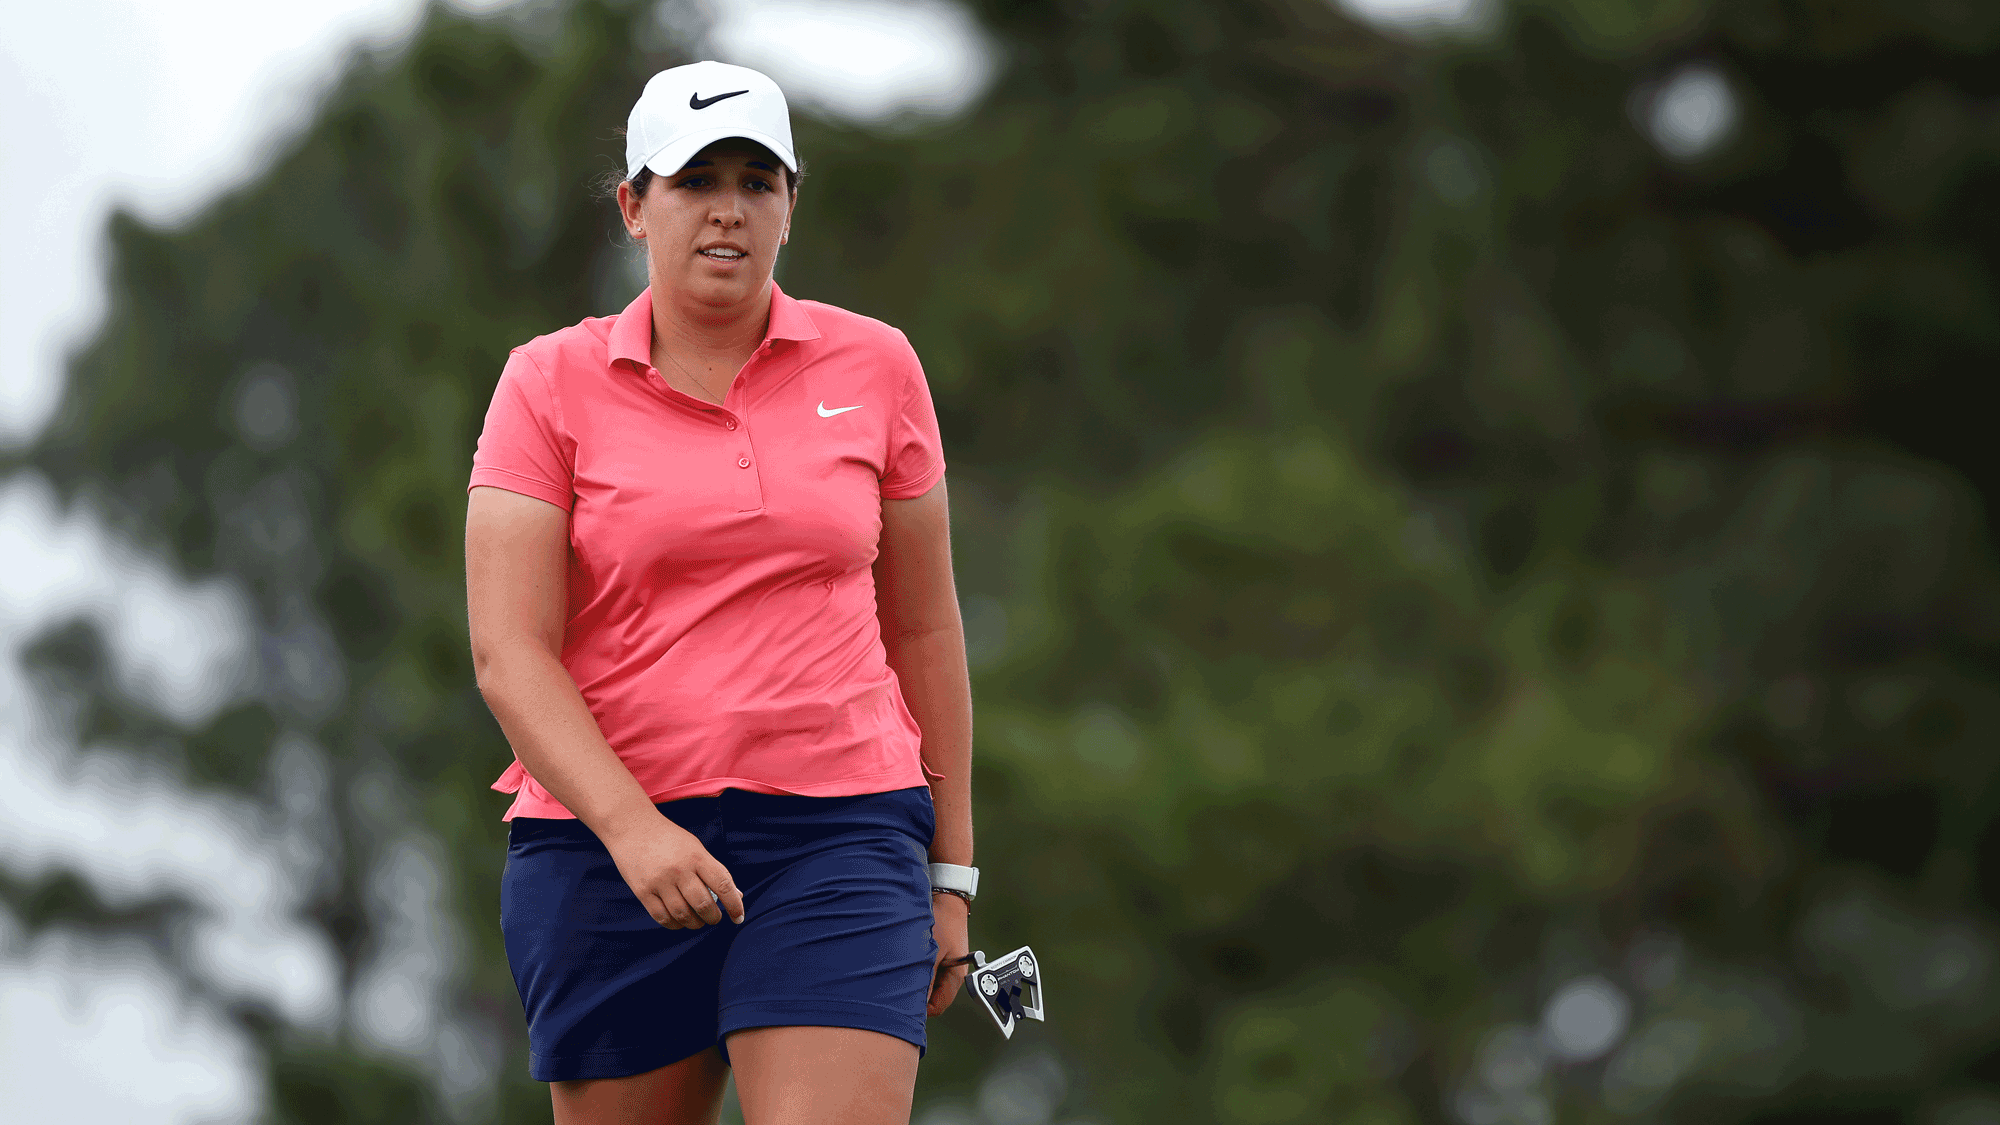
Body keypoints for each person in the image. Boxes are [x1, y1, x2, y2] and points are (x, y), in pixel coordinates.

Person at [464, 60, 976, 1125]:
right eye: (694, 181)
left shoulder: (876, 367)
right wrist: (633, 829)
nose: (727, 211)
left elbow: (922, 627)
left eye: (757, 181)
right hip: (605, 850)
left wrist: (952, 871)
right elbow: (510, 652)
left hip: (839, 835)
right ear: (633, 206)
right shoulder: (545, 382)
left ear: (791, 207)